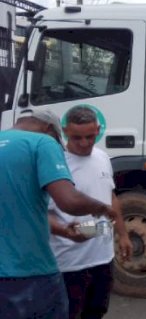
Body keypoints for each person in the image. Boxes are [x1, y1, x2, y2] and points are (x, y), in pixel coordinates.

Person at [0, 109, 116, 319]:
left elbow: (25, 208)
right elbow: (69, 201)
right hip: (31, 271)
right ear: (50, 129)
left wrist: (64, 229)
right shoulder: (41, 143)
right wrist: (102, 209)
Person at [48, 106, 133, 319]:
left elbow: (110, 197)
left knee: (96, 312)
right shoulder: (55, 163)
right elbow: (39, 212)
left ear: (98, 130)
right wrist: (64, 232)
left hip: (102, 258)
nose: (85, 143)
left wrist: (123, 235)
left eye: (90, 136)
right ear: (65, 132)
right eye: (77, 138)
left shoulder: (103, 157)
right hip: (68, 263)